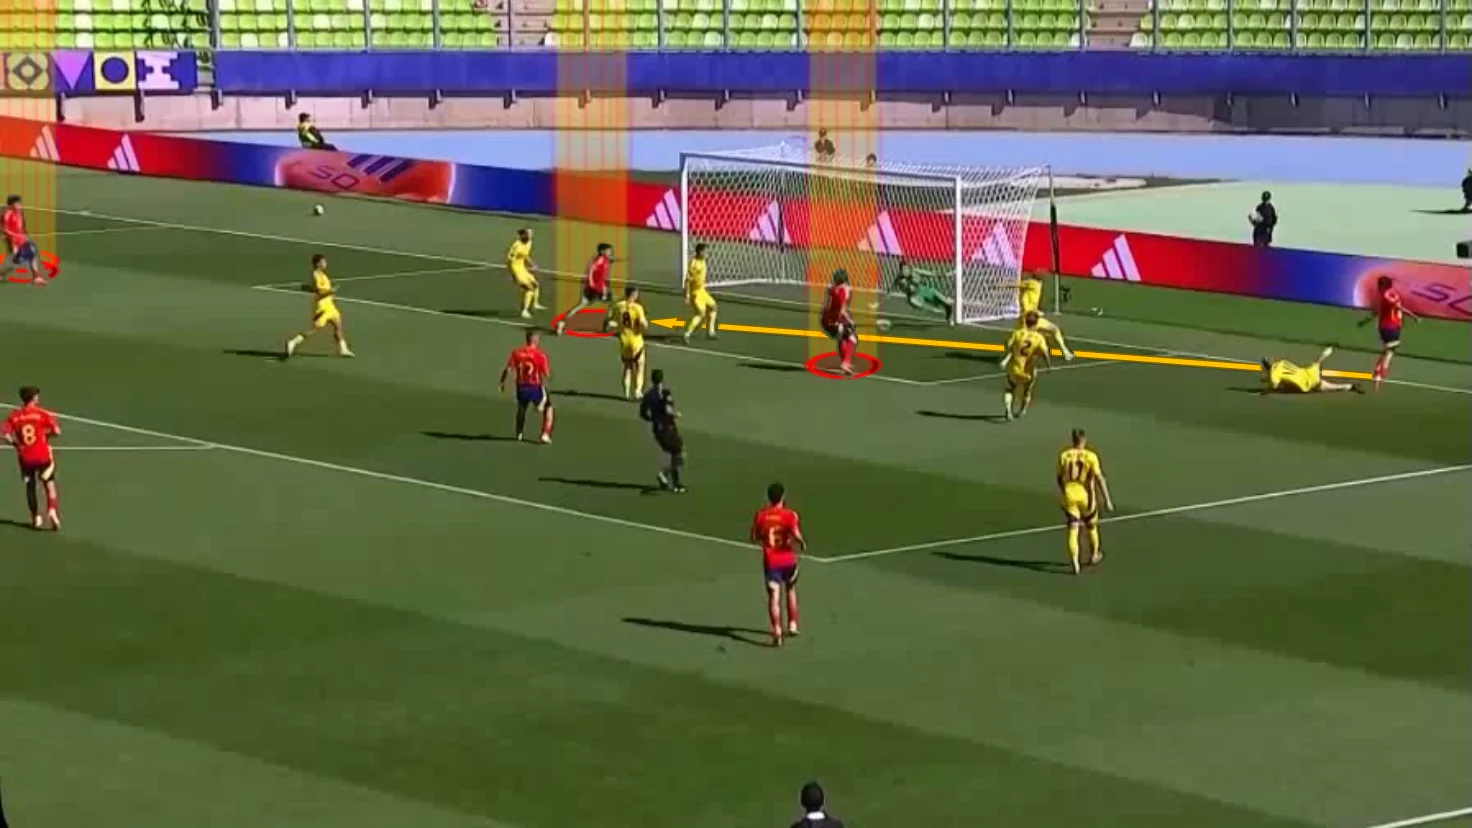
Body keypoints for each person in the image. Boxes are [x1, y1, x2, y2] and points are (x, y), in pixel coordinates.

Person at [751, 482, 805, 647]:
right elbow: (796, 534)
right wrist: (801, 542)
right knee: (790, 589)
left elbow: (754, 537)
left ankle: (777, 631)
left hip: (771, 562)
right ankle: (793, 624)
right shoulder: (790, 515)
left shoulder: (761, 515)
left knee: (774, 597)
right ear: (783, 496)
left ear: (768, 497)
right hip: (788, 560)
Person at [2, 385, 62, 531]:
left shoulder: (14, 416)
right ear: (34, 398)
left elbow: (5, 435)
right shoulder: (42, 414)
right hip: (42, 455)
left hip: (25, 458)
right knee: (49, 484)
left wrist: (16, 444)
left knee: (30, 486)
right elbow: (57, 431)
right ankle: (52, 510)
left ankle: (36, 517)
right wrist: (46, 436)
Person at [1057, 428, 1114, 575]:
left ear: (1073, 440)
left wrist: (1064, 492)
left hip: (1069, 494)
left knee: (1073, 529)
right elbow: (1099, 479)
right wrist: (1107, 499)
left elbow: (1059, 477)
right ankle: (1094, 555)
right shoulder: (1091, 456)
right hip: (1086, 495)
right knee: (1091, 526)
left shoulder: (1064, 455)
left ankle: (1075, 563)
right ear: (1084, 440)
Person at [285, 254, 354, 358]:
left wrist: (310, 288)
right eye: (323, 262)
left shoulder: (323, 275)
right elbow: (320, 293)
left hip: (330, 306)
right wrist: (331, 291)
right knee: (314, 329)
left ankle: (343, 349)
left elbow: (316, 289)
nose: (325, 264)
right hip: (322, 307)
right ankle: (293, 342)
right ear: (318, 264)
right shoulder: (316, 275)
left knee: (338, 325)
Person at [1357, 275, 1417, 390]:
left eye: (1379, 285)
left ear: (1383, 286)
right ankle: (1378, 372)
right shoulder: (1390, 296)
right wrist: (1414, 316)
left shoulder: (1384, 296)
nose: (1377, 287)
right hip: (1391, 328)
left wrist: (1365, 321)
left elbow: (1379, 312)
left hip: (1386, 328)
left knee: (1389, 353)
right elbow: (1399, 308)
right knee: (1390, 348)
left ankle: (1379, 375)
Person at [499, 328, 555, 444]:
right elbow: (547, 374)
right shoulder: (540, 355)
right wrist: (548, 380)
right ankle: (545, 434)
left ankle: (519, 433)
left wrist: (502, 382)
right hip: (534, 387)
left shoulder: (516, 352)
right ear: (536, 340)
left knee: (522, 407)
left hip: (521, 386)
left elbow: (508, 369)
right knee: (549, 407)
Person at [639, 368, 685, 492]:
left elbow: (643, 413)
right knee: (678, 453)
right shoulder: (665, 393)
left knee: (676, 453)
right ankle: (669, 478)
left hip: (657, 429)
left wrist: (653, 419)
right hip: (668, 427)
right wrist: (675, 414)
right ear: (662, 379)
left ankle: (674, 482)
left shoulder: (648, 396)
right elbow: (667, 410)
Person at [999, 312, 1051, 420]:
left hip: (1016, 368)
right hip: (1029, 370)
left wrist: (1008, 357)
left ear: (1026, 322)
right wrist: (1048, 365)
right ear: (1036, 323)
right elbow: (1045, 353)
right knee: (1027, 390)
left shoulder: (1017, 333)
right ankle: (1022, 411)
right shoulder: (1039, 338)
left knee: (1010, 389)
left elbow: (1008, 345)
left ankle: (1008, 411)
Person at [556, 243, 616, 335]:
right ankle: (607, 323)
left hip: (598, 288)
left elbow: (604, 265)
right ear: (602, 251)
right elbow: (591, 270)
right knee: (612, 302)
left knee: (581, 305)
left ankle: (562, 322)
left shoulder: (604, 259)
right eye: (608, 250)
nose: (610, 252)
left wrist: (610, 260)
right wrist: (591, 283)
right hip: (595, 288)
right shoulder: (600, 259)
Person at [1016, 272, 1074, 360]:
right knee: (1023, 340)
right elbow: (1017, 285)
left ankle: (1065, 352)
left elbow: (1020, 287)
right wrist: (1001, 285)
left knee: (1054, 329)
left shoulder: (1034, 286)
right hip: (1028, 319)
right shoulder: (1032, 283)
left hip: (1033, 318)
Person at [873, 259, 952, 322]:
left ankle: (947, 308)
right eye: (903, 269)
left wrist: (945, 274)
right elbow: (890, 292)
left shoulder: (915, 272)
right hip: (914, 296)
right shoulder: (899, 279)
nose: (905, 271)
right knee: (915, 301)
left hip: (923, 290)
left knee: (944, 300)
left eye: (907, 268)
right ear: (900, 270)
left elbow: (930, 273)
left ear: (909, 268)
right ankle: (936, 311)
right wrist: (878, 303)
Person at [1260, 346, 1363, 394]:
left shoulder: (1273, 374)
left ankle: (1349, 386)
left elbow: (1274, 386)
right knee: (1318, 361)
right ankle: (1329, 349)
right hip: (1309, 372)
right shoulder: (1281, 362)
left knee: (1331, 387)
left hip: (1306, 383)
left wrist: (1267, 386)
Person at [611, 284, 649, 399]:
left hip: (624, 341)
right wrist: (643, 327)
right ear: (634, 295)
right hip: (636, 341)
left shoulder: (618, 306)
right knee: (640, 366)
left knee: (627, 367)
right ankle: (638, 390)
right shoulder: (638, 308)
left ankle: (626, 392)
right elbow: (643, 323)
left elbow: (613, 321)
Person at [821, 269, 858, 375]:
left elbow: (828, 305)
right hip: (835, 322)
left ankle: (845, 362)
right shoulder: (844, 290)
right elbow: (842, 311)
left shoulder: (830, 288)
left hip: (825, 321)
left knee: (842, 337)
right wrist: (850, 321)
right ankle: (845, 362)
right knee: (852, 339)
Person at [683, 243, 719, 342]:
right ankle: (687, 333)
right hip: (696, 293)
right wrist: (687, 294)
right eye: (705, 251)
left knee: (713, 307)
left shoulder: (702, 260)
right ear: (700, 252)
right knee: (700, 314)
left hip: (702, 291)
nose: (707, 253)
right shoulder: (694, 264)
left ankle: (711, 331)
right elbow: (687, 281)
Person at [507, 227, 544, 320]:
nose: (530, 236)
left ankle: (535, 304)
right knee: (529, 288)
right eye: (528, 234)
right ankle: (524, 311)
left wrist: (533, 265)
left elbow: (526, 255)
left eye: (531, 234)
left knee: (536, 284)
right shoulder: (516, 246)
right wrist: (514, 275)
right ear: (523, 235)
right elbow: (510, 261)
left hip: (522, 269)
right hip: (516, 270)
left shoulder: (529, 243)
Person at [3, 195, 41, 284]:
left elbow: (20, 227)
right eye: (17, 203)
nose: (20, 204)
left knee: (32, 253)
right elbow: (5, 229)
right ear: (11, 205)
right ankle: (2, 273)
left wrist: (24, 236)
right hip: (13, 241)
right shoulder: (7, 214)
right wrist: (14, 236)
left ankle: (36, 277)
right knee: (15, 261)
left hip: (22, 240)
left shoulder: (19, 212)